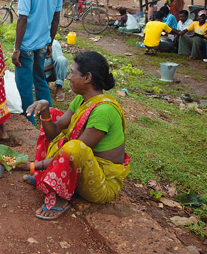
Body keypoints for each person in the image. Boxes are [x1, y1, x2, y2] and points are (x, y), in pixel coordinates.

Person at [23, 51, 129, 220]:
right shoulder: (81, 100)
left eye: (72, 73)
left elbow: (74, 153)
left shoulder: (104, 111)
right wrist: (44, 110)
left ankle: (60, 199)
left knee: (74, 147)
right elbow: (54, 132)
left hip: (102, 184)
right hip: (82, 170)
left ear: (87, 77)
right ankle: (49, 176)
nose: (68, 77)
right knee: (52, 114)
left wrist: (32, 166)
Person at [13, 0, 63, 126]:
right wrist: (50, 42)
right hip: (43, 42)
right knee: (40, 79)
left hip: (26, 45)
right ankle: (48, 119)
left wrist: (17, 48)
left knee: (24, 85)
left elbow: (22, 18)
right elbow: (56, 18)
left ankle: (28, 123)